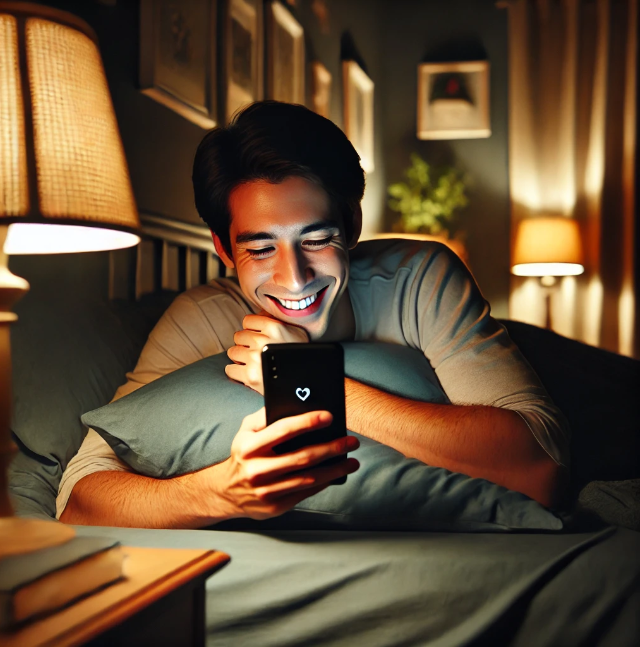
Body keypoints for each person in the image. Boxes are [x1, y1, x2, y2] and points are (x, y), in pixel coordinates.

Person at [58, 101, 569, 528]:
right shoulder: (201, 317)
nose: (296, 277)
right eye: (260, 249)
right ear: (222, 247)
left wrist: (306, 378)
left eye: (317, 239)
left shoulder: (419, 278)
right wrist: (219, 493)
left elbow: (542, 468)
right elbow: (78, 501)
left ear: (351, 224)